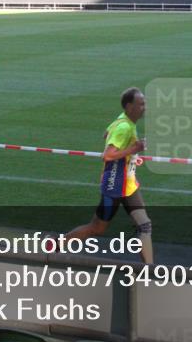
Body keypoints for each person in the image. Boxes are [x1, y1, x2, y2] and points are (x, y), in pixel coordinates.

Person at [63, 87, 154, 264]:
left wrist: (131, 158)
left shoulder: (122, 121)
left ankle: (150, 271)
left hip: (128, 186)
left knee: (145, 225)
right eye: (140, 104)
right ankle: (57, 245)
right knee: (96, 228)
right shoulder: (124, 127)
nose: (144, 107)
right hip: (115, 187)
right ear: (129, 107)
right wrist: (134, 149)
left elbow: (106, 134)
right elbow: (108, 155)